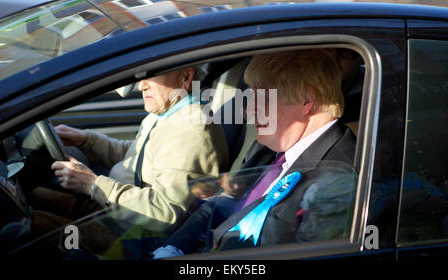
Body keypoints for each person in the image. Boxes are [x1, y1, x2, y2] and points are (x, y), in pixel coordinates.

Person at [153, 48, 357, 257]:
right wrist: (173, 248)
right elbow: (232, 205)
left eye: (263, 97)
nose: (249, 109)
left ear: (307, 100)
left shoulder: (338, 179)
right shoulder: (272, 147)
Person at [28, 67, 229, 242]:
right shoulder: (168, 113)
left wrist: (92, 184)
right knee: (33, 195)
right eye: (142, 76)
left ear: (185, 78)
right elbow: (138, 155)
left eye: (152, 75)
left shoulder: (191, 130)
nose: (141, 86)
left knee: (30, 227)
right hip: (118, 210)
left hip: (136, 236)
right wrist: (85, 140)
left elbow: (166, 213)